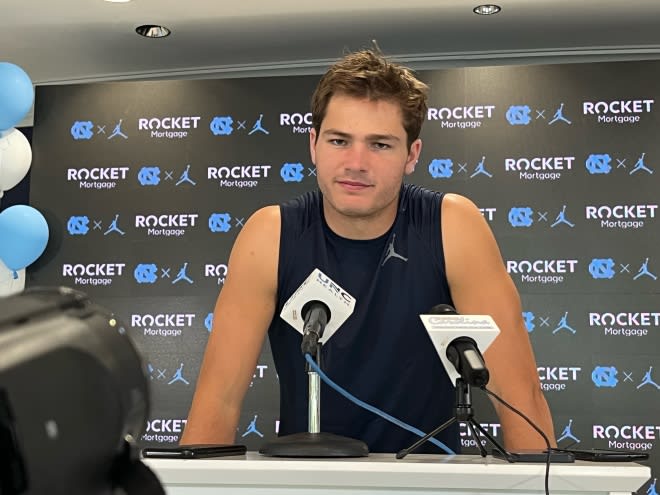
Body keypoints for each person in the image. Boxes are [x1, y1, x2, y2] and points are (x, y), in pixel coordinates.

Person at [181, 49, 555, 453]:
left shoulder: (454, 225)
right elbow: (218, 400)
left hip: (427, 485)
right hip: (309, 483)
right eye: (339, 140)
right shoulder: (269, 234)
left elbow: (521, 401)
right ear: (313, 144)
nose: (356, 163)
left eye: (380, 145)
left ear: (412, 155)